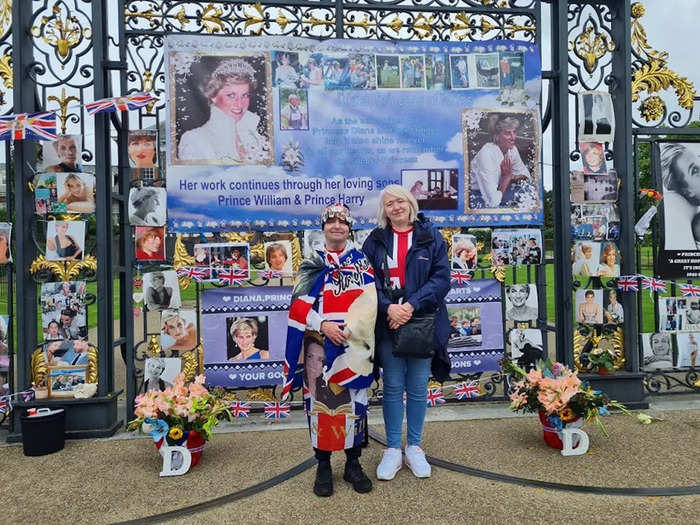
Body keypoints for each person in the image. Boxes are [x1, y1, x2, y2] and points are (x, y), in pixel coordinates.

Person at [283, 203, 377, 497]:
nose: (337, 226)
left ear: (350, 227)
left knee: (355, 402)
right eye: (331, 222)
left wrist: (352, 327)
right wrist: (323, 325)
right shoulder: (312, 261)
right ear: (323, 227)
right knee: (319, 404)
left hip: (354, 343)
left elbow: (371, 301)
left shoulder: (362, 261)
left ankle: (353, 463)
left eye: (342, 222)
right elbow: (298, 305)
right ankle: (323, 465)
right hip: (320, 344)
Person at [362, 185, 451, 482]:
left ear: (410, 203)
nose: (396, 207)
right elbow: (366, 284)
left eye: (400, 200)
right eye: (389, 204)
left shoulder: (431, 237)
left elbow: (441, 280)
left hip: (422, 322)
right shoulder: (374, 241)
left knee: (416, 386)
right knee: (392, 386)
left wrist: (411, 305)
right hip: (388, 323)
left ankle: (413, 446)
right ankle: (391, 449)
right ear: (384, 211)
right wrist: (389, 308)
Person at [178, 58, 268, 164]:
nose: (239, 103)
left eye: (245, 95)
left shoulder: (255, 136)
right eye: (231, 95)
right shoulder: (193, 139)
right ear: (213, 96)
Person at [469, 115, 530, 208]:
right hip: (478, 195)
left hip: (499, 190)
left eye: (514, 132)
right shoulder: (486, 154)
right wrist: (506, 177)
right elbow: (493, 202)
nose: (513, 137)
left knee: (527, 192)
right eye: (508, 133)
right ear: (496, 135)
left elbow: (525, 175)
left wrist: (512, 177)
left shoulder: (512, 149)